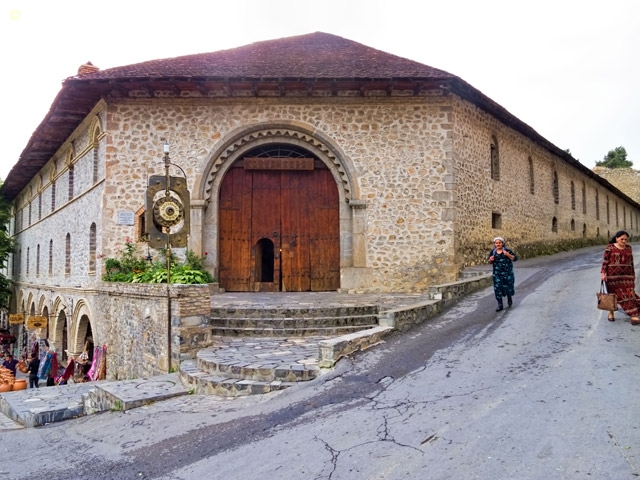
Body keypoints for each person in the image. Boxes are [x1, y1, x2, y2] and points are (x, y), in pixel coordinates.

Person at [601, 230, 640, 325]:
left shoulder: (628, 248)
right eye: (622, 239)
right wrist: (603, 273)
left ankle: (634, 315)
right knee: (612, 296)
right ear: (616, 238)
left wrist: (633, 275)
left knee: (629, 295)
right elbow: (605, 262)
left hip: (627, 277)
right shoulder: (609, 248)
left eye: (625, 239)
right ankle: (611, 313)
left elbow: (631, 263)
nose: (624, 241)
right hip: (612, 277)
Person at [488, 236, 518, 311]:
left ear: (502, 243)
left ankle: (509, 297)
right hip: (497, 274)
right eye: (496, 243)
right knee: (497, 288)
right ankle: (500, 304)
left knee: (507, 287)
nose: (498, 244)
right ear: (494, 244)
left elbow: (515, 258)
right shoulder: (493, 252)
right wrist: (490, 260)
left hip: (507, 273)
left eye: (499, 243)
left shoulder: (507, 251)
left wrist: (508, 255)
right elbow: (489, 261)